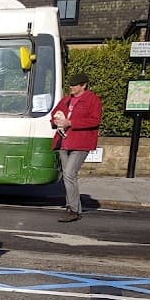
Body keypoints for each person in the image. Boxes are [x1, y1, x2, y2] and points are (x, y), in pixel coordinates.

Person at [50, 72, 102, 222]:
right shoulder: (66, 100)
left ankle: (73, 210)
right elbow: (54, 116)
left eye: (74, 85)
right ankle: (72, 207)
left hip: (81, 142)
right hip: (64, 142)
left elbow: (94, 120)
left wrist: (71, 123)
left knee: (69, 173)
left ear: (84, 85)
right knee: (68, 175)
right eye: (70, 85)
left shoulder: (92, 100)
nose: (71, 87)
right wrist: (56, 121)